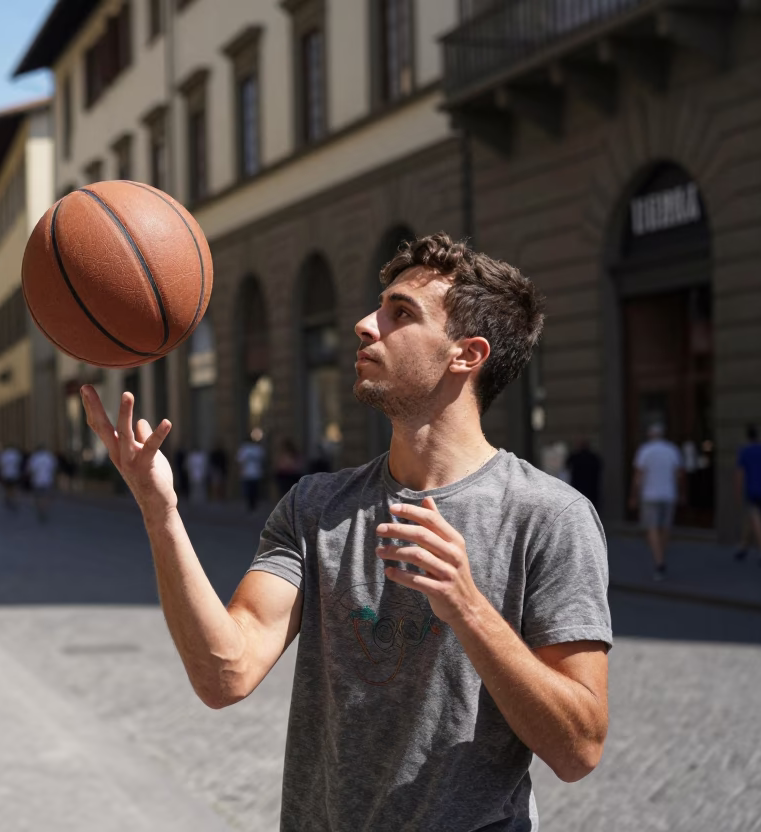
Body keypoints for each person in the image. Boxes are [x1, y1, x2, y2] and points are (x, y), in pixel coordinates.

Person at [80, 232, 611, 831]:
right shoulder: (315, 506)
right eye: (378, 306)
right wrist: (160, 511)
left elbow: (578, 750)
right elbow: (225, 673)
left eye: (400, 313)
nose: (364, 324)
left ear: (467, 354)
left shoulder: (550, 516)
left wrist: (467, 607)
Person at [631, 423, 685, 581]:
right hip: (669, 494)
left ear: (650, 435)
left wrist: (633, 495)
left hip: (650, 495)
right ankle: (661, 555)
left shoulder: (645, 451)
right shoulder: (672, 450)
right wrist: (681, 492)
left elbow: (638, 476)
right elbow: (679, 474)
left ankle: (659, 561)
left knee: (652, 528)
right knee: (665, 527)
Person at [734, 424, 761, 564]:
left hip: (753, 491)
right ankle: (743, 548)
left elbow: (740, 475)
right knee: (751, 519)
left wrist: (738, 494)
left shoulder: (744, 451)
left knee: (756, 520)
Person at [566, 439, 602, 510]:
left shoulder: (577, 457)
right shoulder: (593, 457)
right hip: (588, 486)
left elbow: (567, 466)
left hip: (583, 486)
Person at [27, 444, 59, 522]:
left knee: (38, 496)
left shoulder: (35, 457)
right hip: (47, 480)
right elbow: (54, 468)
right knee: (45, 495)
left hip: (37, 480)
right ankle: (44, 509)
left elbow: (31, 469)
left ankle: (41, 509)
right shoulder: (49, 457)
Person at [237, 429, 266, 513]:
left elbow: (240, 461)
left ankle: (250, 505)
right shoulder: (258, 449)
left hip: (247, 473)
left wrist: (240, 471)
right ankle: (253, 505)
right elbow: (262, 460)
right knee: (254, 490)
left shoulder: (244, 449)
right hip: (255, 472)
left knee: (248, 490)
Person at [0, 444, 24, 511]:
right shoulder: (16, 454)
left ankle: (8, 498)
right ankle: (13, 499)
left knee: (7, 487)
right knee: (14, 487)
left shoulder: (4, 454)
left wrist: (0, 472)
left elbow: (0, 464)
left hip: (6, 473)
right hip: (14, 473)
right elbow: (20, 463)